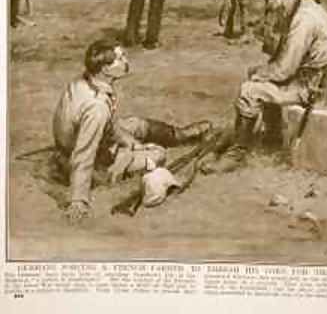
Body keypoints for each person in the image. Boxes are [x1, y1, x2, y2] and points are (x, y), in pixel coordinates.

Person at [200, 0, 327, 174]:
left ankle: (237, 153)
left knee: (250, 89)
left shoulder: (303, 19)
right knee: (257, 74)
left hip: (323, 89)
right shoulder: (303, 7)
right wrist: (263, 70)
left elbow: (284, 69)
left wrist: (261, 75)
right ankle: (272, 136)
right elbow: (284, 57)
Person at [53, 40, 211, 222]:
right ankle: (114, 170)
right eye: (120, 58)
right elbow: (84, 153)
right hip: (91, 157)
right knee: (157, 153)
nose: (126, 61)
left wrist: (133, 144)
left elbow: (110, 125)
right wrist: (78, 200)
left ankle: (178, 135)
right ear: (105, 68)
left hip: (90, 137)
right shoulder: (96, 108)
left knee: (136, 124)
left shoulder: (87, 82)